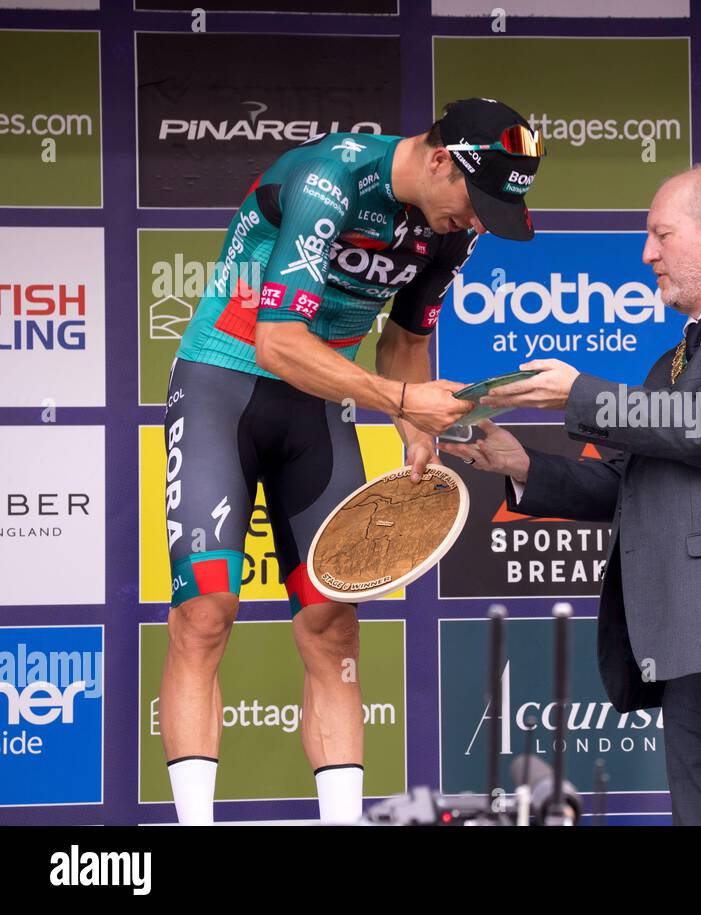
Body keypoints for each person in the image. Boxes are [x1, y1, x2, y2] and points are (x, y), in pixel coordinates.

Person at [159, 98, 544, 825]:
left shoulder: (452, 232)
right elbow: (276, 342)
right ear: (438, 160)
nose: (476, 221)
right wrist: (400, 396)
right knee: (206, 608)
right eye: (475, 201)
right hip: (222, 380)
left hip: (320, 401)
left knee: (334, 623)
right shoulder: (329, 180)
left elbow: (403, 339)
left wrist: (413, 429)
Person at [441, 164, 701, 825]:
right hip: (686, 652)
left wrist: (578, 393)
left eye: (661, 234)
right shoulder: (671, 364)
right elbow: (625, 481)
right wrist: (519, 461)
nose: (647, 253)